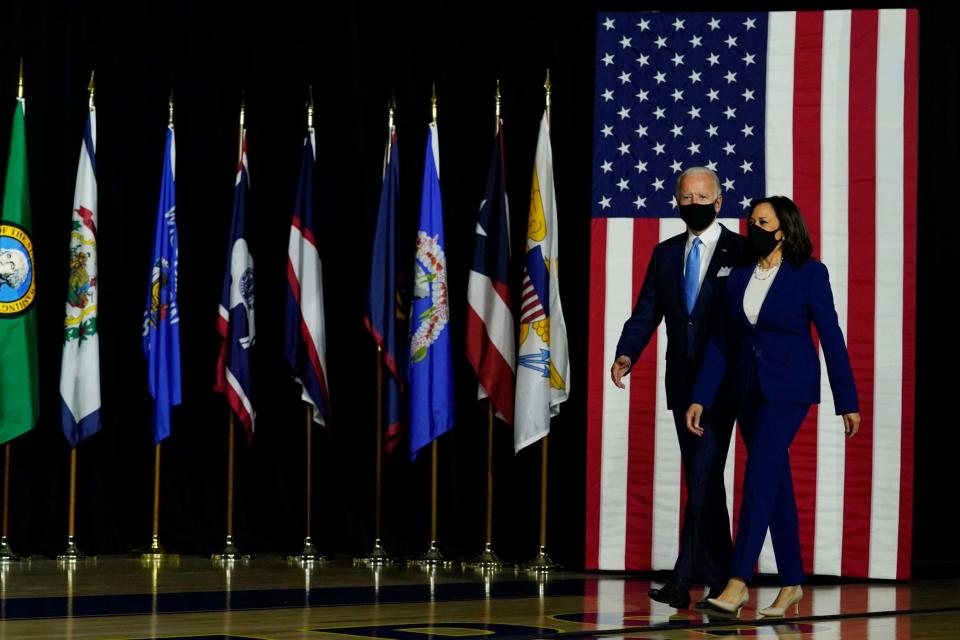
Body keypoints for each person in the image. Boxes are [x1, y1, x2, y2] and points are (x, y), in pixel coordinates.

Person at [685, 196, 861, 617]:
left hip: (789, 390)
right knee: (775, 485)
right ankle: (792, 584)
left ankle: (738, 579)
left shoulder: (810, 274)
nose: (754, 228)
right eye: (751, 221)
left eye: (763, 222)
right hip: (745, 391)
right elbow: (722, 343)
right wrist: (700, 396)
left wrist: (847, 400)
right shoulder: (740, 274)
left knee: (758, 476)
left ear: (784, 230)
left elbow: (832, 337)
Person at [610, 167, 747, 608]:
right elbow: (647, 310)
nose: (694, 203)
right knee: (704, 480)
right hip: (681, 384)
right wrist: (627, 352)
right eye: (686, 197)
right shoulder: (666, 253)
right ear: (676, 201)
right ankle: (725, 576)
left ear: (720, 201)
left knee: (704, 475)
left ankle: (683, 578)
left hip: (723, 384)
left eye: (702, 196)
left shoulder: (740, 251)